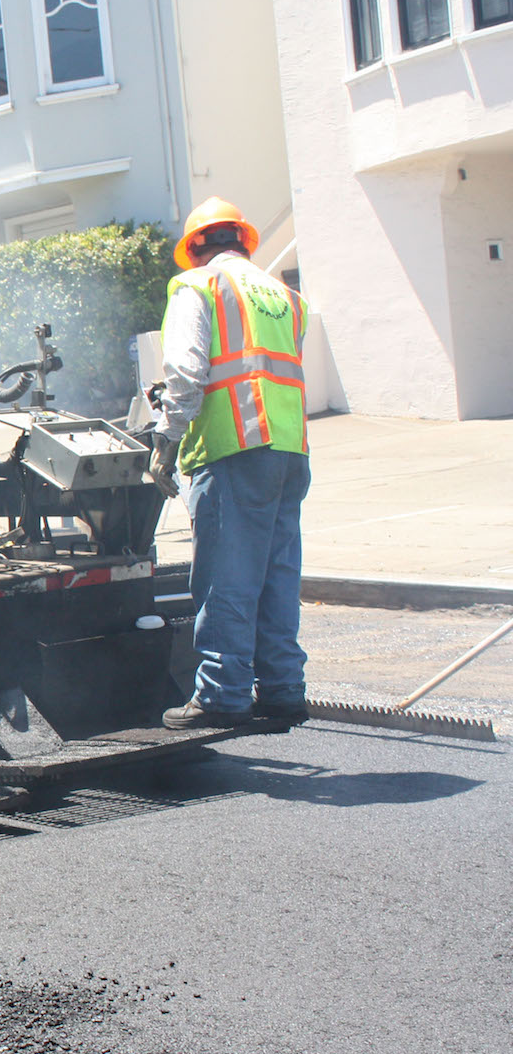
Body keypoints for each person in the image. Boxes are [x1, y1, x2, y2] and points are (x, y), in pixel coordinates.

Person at [150, 196, 312, 729]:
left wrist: (165, 439)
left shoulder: (198, 287)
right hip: (289, 450)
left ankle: (222, 695)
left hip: (234, 449)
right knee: (276, 574)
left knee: (227, 576)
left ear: (194, 248)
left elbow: (187, 370)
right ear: (244, 240)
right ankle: (285, 689)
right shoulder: (285, 295)